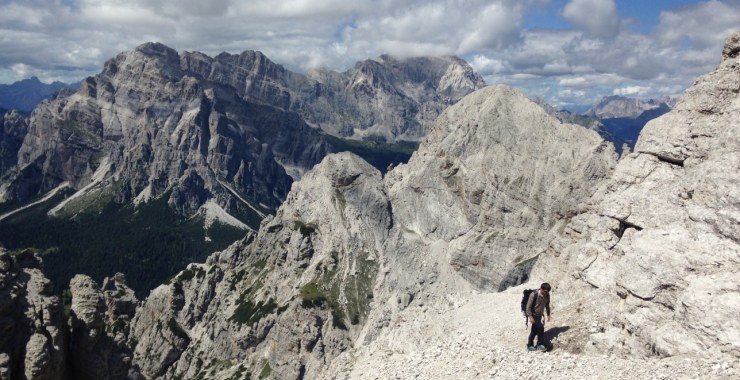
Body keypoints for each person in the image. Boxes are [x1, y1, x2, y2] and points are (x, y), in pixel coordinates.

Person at [525, 282, 552, 352]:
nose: (545, 292)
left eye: (547, 291)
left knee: (534, 331)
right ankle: (539, 344)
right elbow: (528, 307)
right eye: (544, 290)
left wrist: (548, 314)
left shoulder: (547, 295)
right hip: (534, 315)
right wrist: (530, 317)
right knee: (541, 328)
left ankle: (530, 345)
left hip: (539, 315)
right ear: (541, 288)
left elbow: (547, 305)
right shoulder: (534, 294)